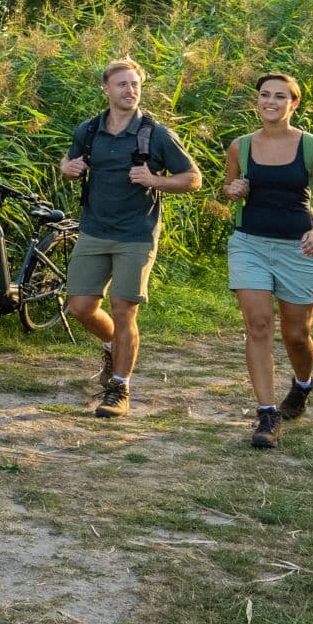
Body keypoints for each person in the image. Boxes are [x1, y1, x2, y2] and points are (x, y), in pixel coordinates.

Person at [57, 57, 201, 418]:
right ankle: (112, 346)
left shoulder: (156, 134)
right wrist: (68, 168)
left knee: (123, 310)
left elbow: (193, 179)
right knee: (80, 307)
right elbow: (68, 160)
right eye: (122, 84)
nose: (130, 90)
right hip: (93, 229)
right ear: (105, 89)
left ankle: (119, 389)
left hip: (136, 234)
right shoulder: (89, 130)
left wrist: (155, 180)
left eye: (135, 84)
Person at [221, 72, 313, 449]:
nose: (270, 101)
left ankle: (302, 384)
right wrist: (234, 189)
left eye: (279, 96)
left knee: (296, 335)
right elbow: (228, 188)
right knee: (258, 325)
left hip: (297, 247)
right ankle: (267, 414)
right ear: (257, 101)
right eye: (264, 95)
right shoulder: (240, 146)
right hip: (249, 244)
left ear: (293, 103)